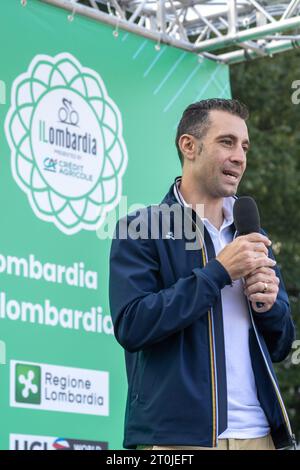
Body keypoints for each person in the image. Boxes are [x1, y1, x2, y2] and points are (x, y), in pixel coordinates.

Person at [109, 98, 296, 450]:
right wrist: (218, 273)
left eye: (244, 146)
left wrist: (270, 306)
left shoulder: (253, 236)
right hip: (176, 440)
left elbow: (282, 344)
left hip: (260, 435)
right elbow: (132, 324)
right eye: (227, 142)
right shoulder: (141, 227)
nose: (240, 156)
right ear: (189, 146)